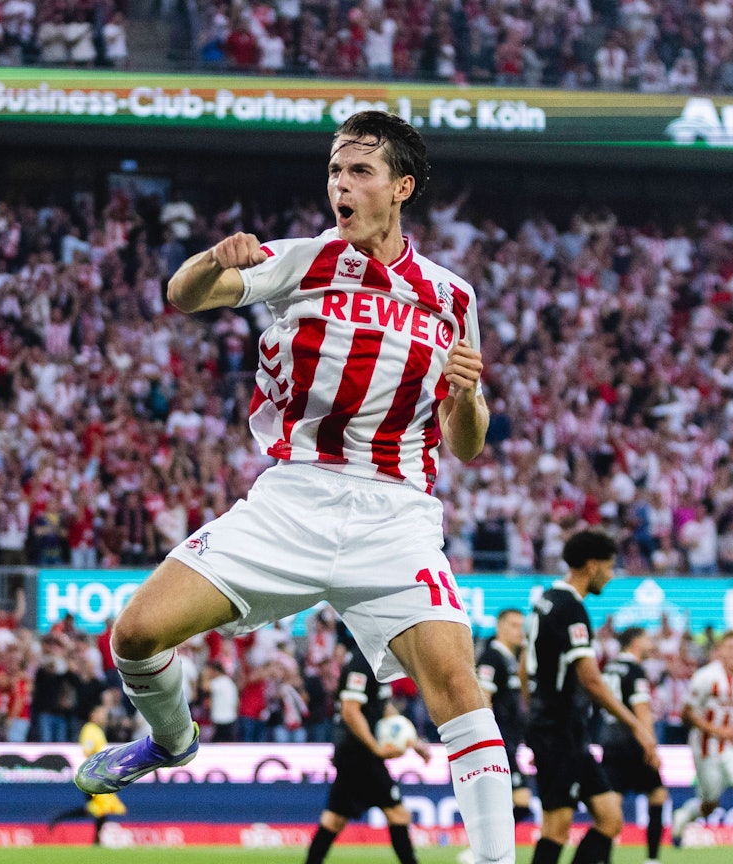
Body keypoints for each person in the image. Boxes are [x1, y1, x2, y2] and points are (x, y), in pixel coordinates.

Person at [74, 111, 514, 863]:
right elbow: (184, 295)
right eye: (335, 170)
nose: (341, 184)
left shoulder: (452, 297)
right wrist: (212, 259)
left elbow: (466, 443)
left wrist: (468, 396)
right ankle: (171, 742)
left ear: (401, 187)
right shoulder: (304, 259)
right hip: (294, 498)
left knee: (457, 687)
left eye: (360, 171)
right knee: (135, 635)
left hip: (396, 514)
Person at [526, 531, 659, 864]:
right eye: (610, 567)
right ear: (592, 566)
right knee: (556, 827)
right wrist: (637, 726)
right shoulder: (571, 607)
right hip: (557, 730)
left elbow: (524, 667)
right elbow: (592, 681)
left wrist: (533, 713)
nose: (611, 576)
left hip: (564, 729)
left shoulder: (545, 601)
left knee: (610, 818)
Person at [305, 627, 430, 864]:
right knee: (397, 813)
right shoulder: (361, 662)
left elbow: (382, 707)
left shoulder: (376, 661)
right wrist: (376, 748)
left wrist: (413, 741)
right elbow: (350, 711)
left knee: (334, 819)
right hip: (358, 752)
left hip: (355, 752)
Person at [672, 632, 733, 864]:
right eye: (730, 648)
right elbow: (686, 714)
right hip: (707, 746)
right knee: (710, 804)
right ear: (721, 650)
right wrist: (716, 730)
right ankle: (684, 816)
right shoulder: (705, 677)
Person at [601, 627, 670, 864]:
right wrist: (651, 745)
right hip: (632, 741)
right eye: (646, 639)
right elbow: (642, 711)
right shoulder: (635, 670)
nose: (651, 643)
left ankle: (605, 860)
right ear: (635, 642)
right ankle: (652, 859)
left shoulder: (609, 667)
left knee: (612, 804)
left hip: (609, 740)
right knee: (658, 795)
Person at [477, 608, 531, 824]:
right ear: (500, 627)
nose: (520, 631)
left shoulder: (512, 660)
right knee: (521, 802)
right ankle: (484, 843)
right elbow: (484, 696)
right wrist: (488, 736)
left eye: (522, 626)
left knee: (508, 803)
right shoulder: (492, 657)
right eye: (514, 625)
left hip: (511, 742)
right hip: (498, 743)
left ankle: (487, 842)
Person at [49, 705, 127, 845]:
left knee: (98, 809)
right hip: (93, 777)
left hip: (98, 776)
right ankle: (60, 819)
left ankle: (95, 839)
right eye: (101, 713)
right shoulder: (90, 729)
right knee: (98, 808)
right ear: (93, 715)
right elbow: (88, 751)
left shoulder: (97, 730)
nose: (104, 716)